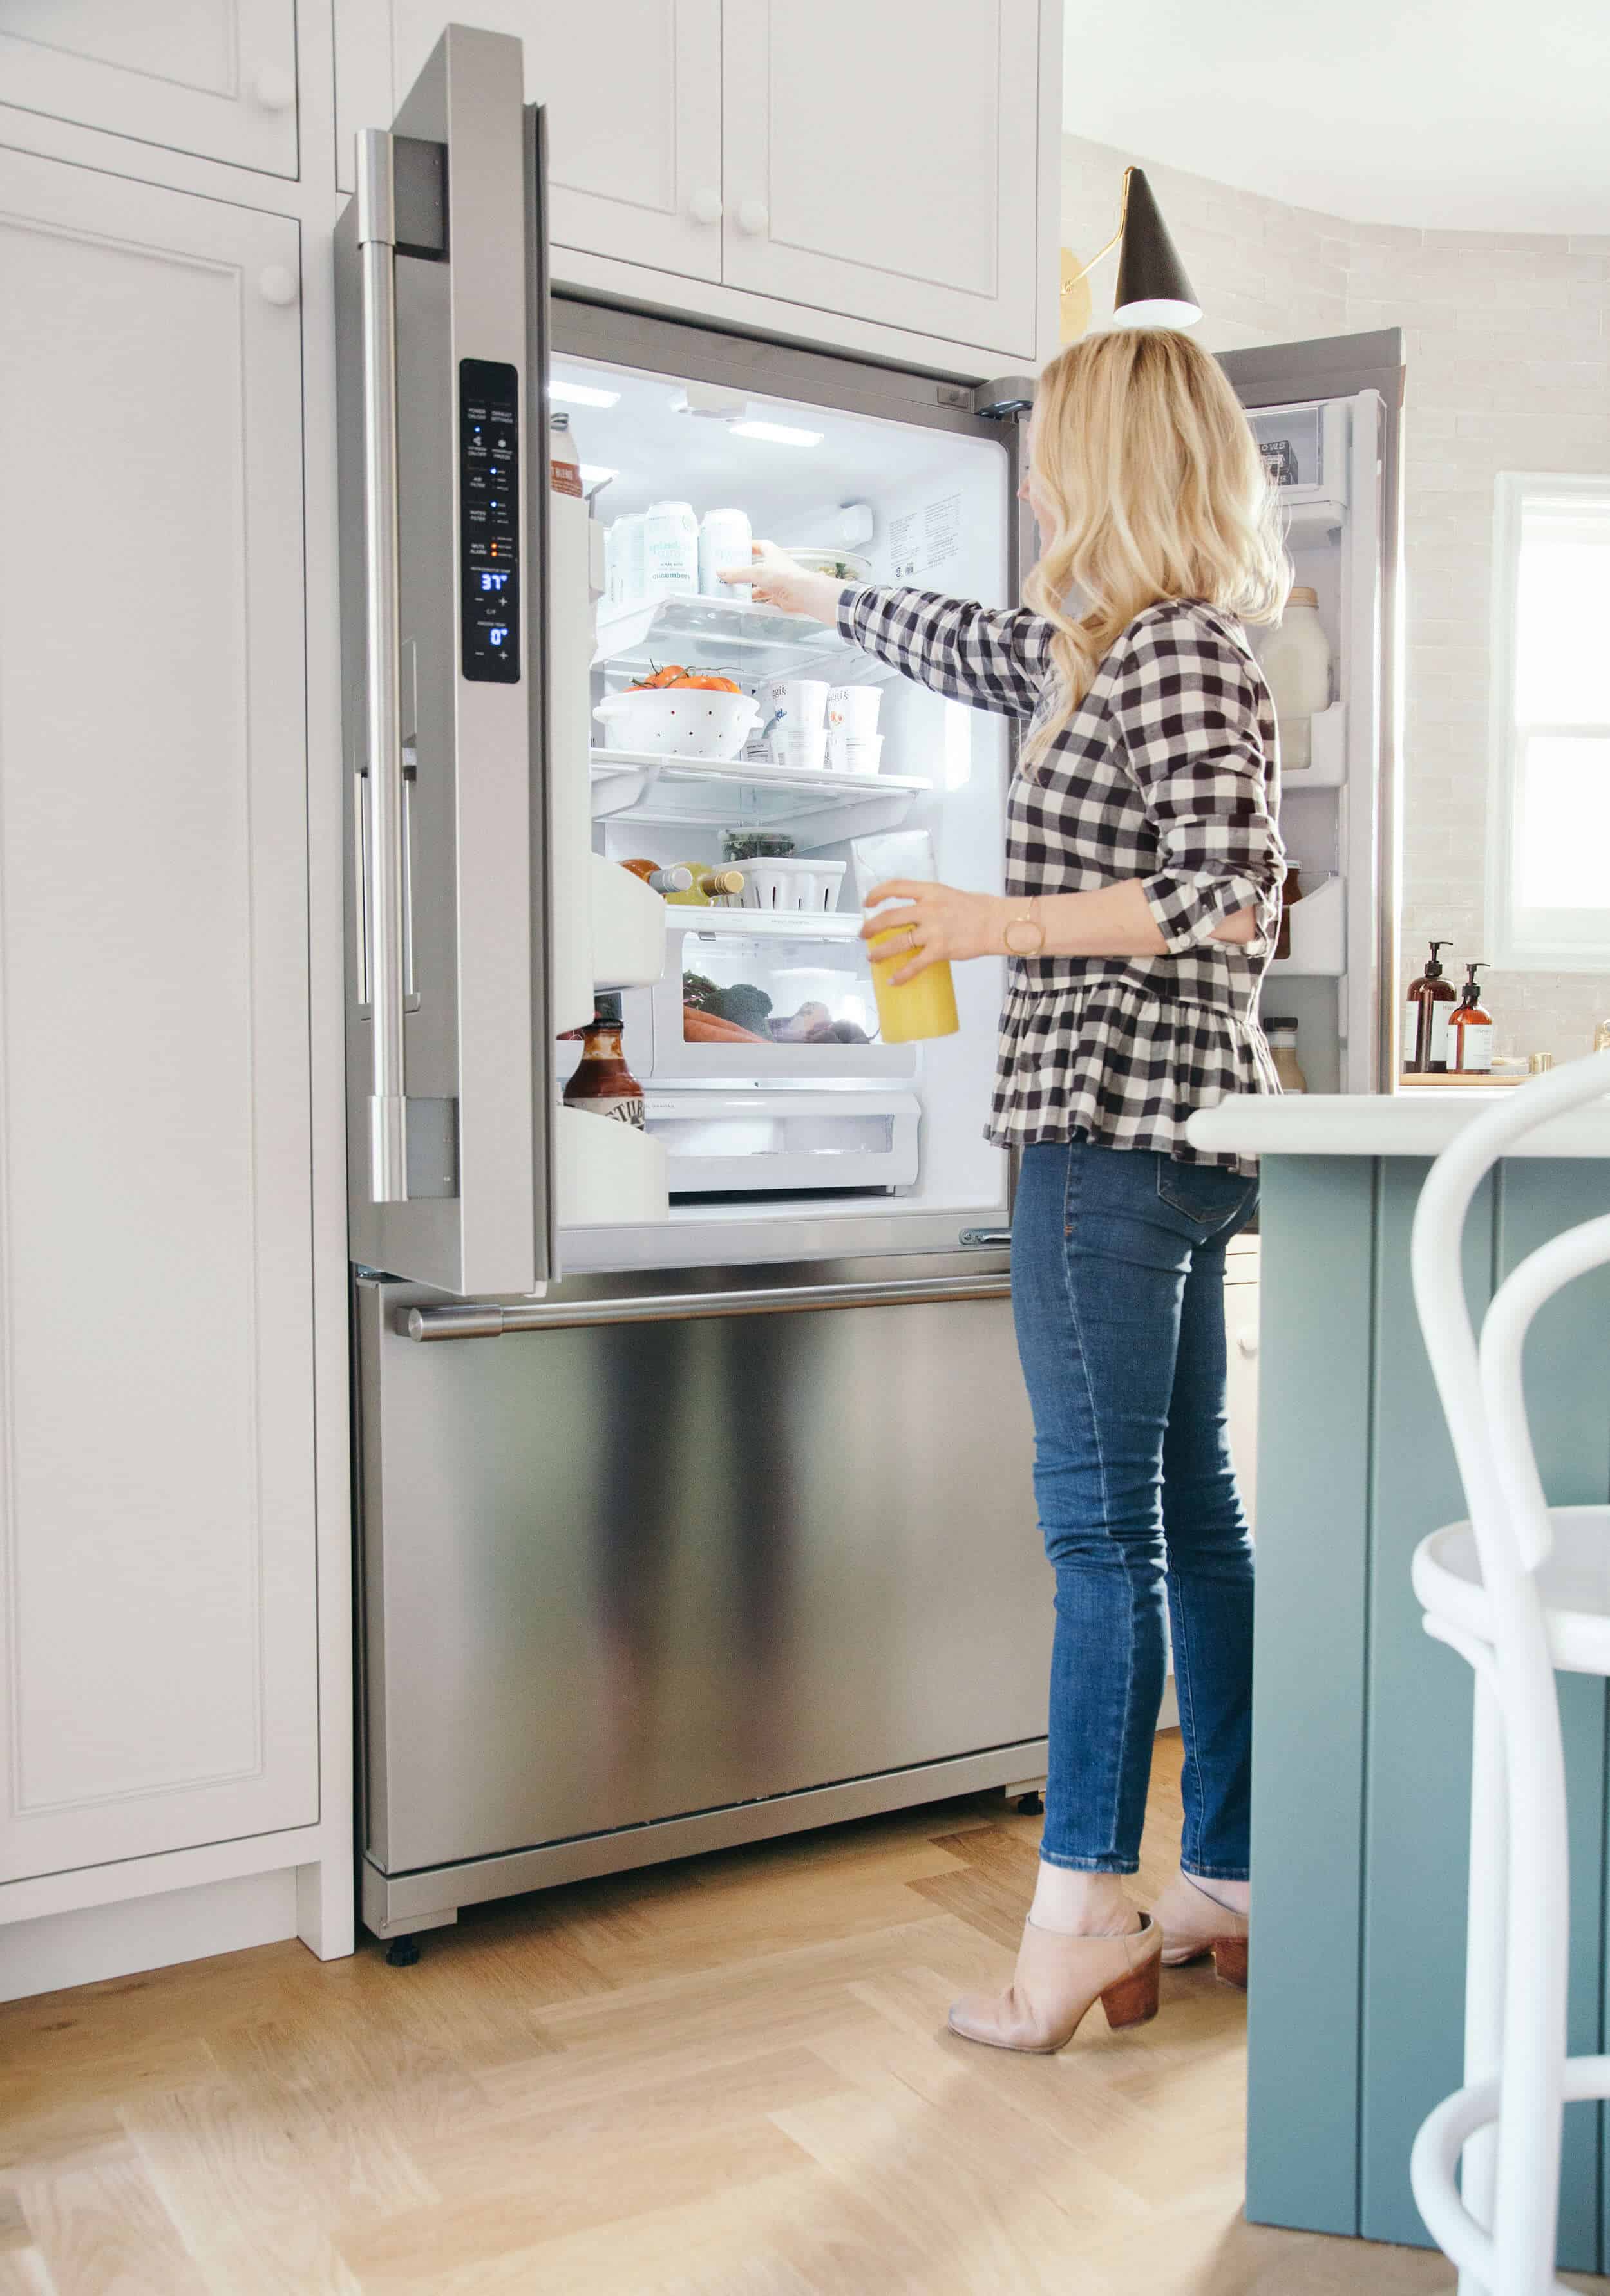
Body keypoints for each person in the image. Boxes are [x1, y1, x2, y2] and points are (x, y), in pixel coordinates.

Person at [724, 327, 1288, 2055]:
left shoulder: (1177, 651)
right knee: (1185, 1511)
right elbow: (968, 640)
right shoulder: (1105, 651)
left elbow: (1230, 888)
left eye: (1057, 449)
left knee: (1097, 1536)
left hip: (1104, 1130)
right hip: (1161, 1141)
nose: (1035, 477)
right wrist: (791, 584)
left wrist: (991, 927)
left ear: (1118, 462)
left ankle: (1076, 1923)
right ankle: (1227, 1882)